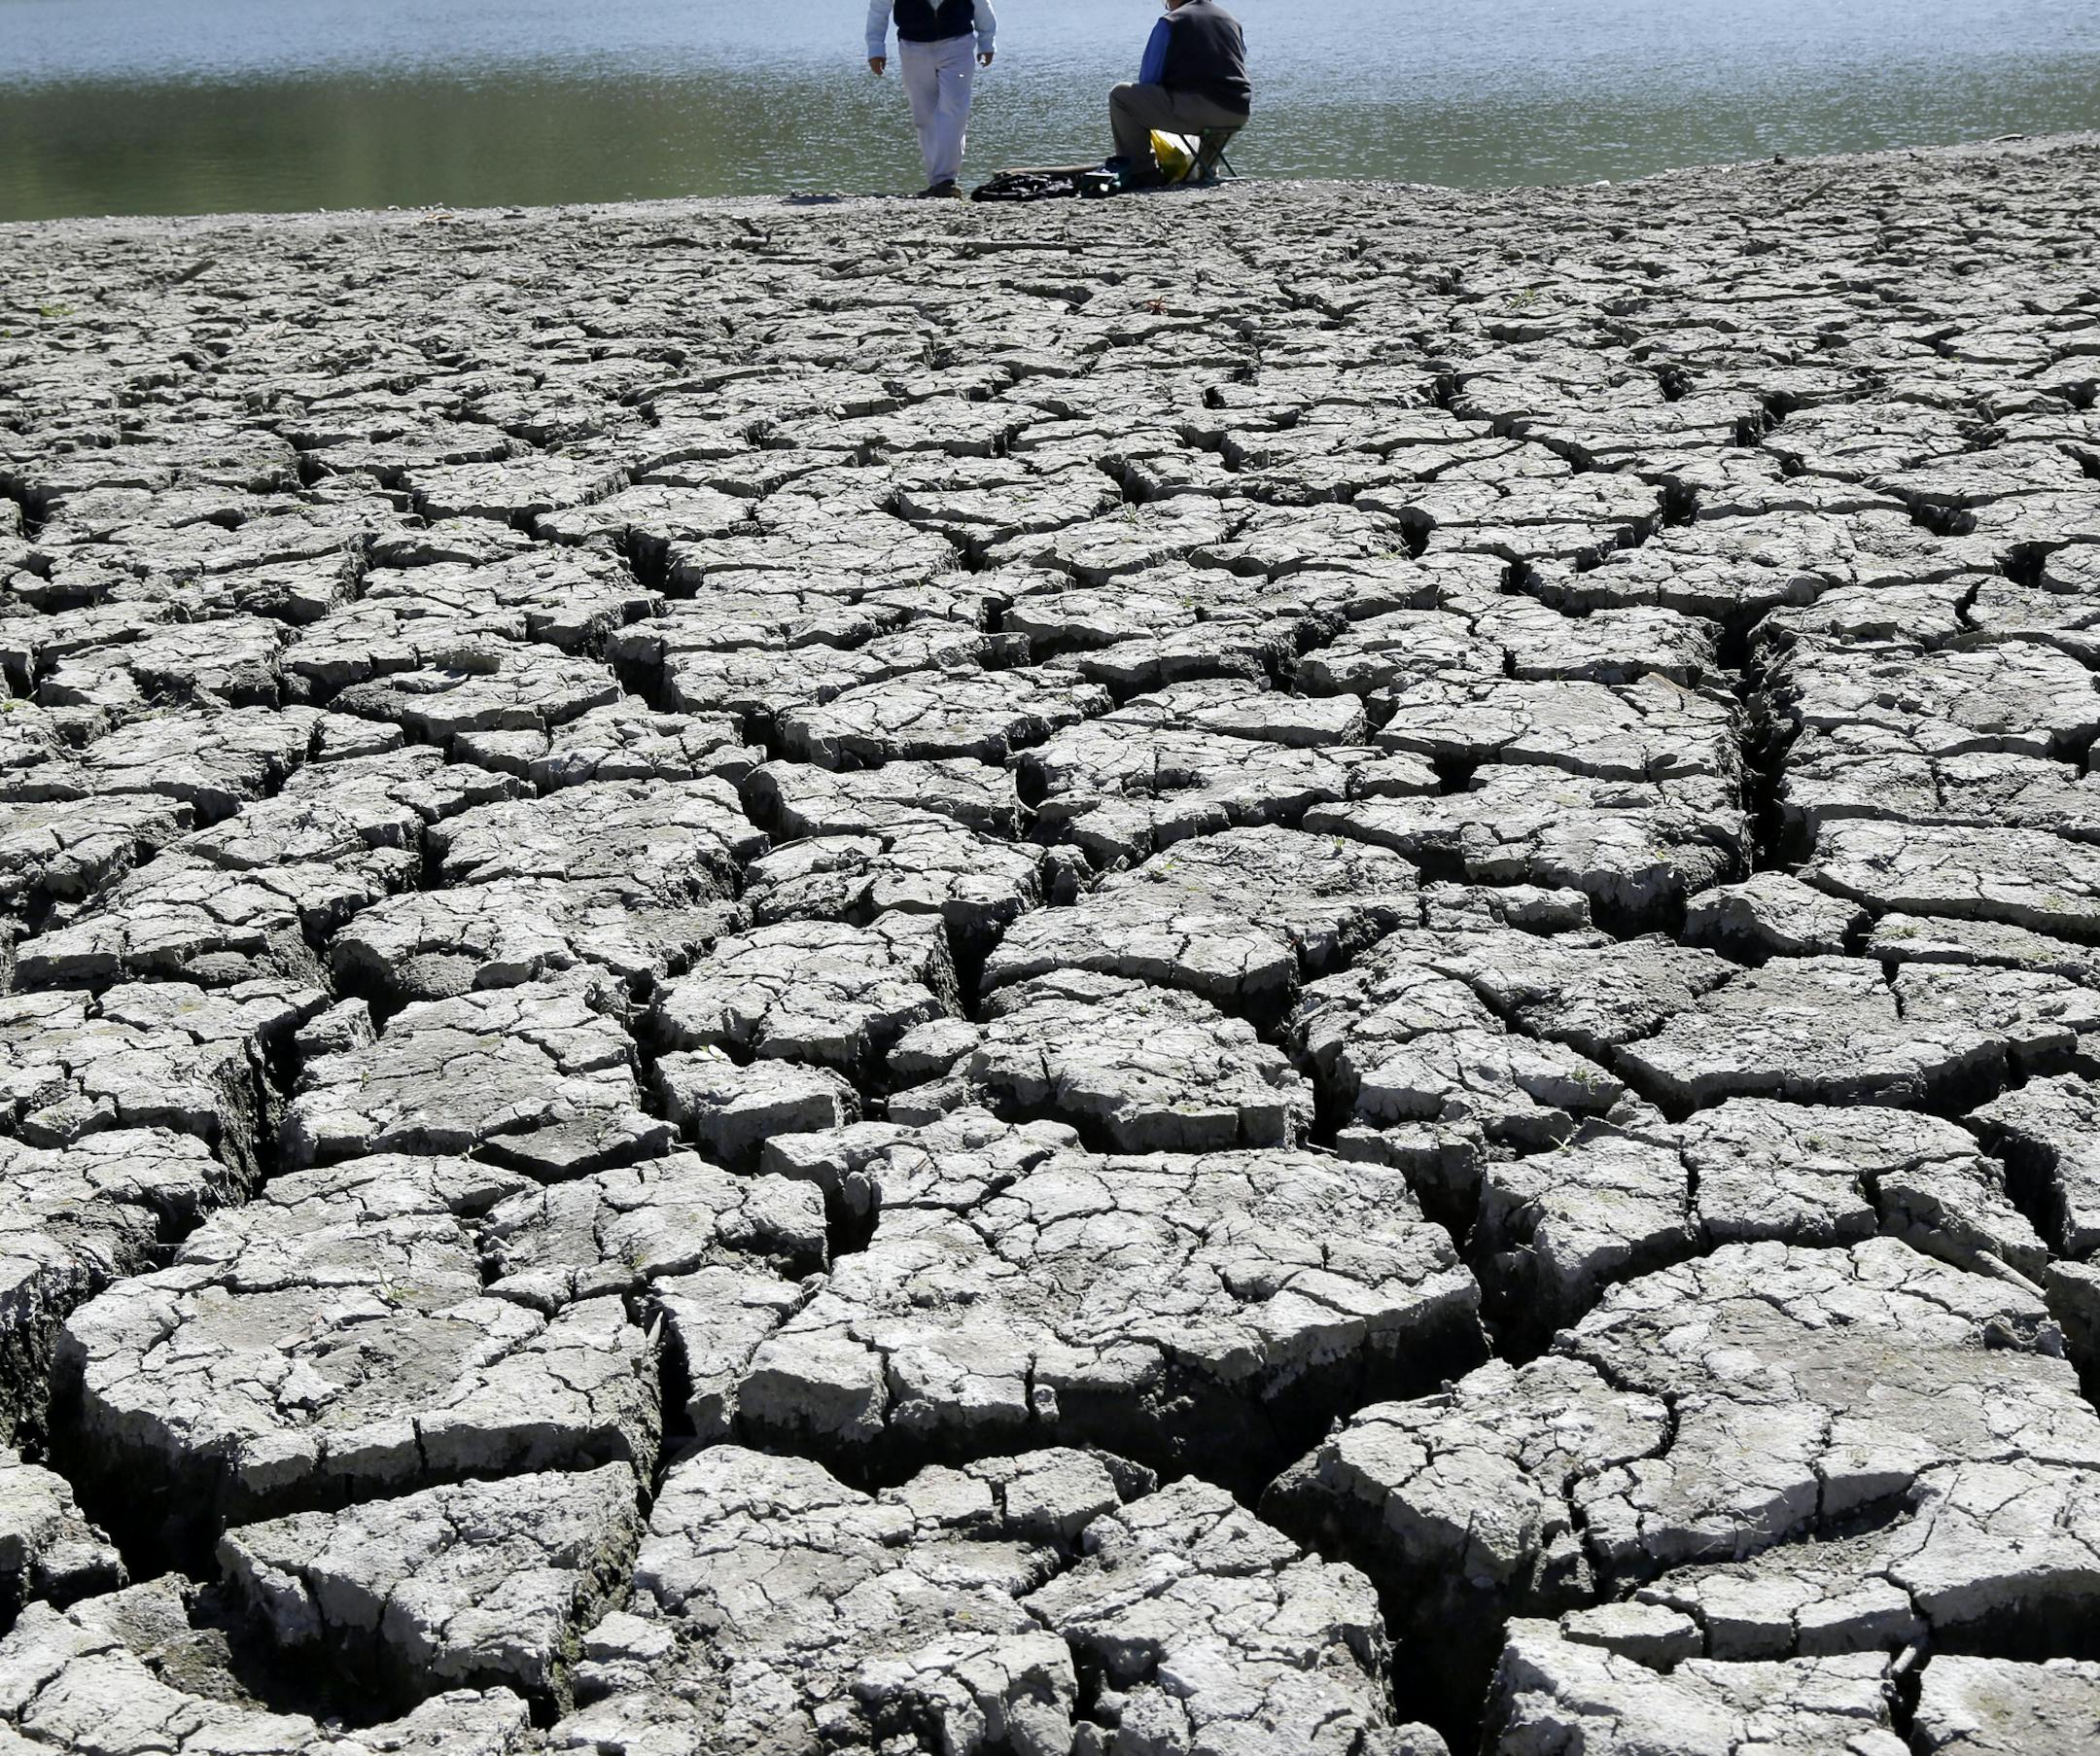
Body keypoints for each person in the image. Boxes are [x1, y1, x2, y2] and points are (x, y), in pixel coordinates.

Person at [1108, 0, 1250, 189]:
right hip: (1238, 110)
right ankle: (1206, 168)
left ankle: (1143, 172)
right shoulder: (1230, 20)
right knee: (1206, 94)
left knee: (1120, 96)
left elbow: (1149, 79)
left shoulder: (1171, 22)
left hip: (1199, 110)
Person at [867, 0, 998, 199]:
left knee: (955, 110)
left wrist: (987, 41)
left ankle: (946, 179)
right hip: (913, 47)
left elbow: (980, 3)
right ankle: (937, 181)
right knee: (924, 117)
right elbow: (879, 8)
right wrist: (876, 48)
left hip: (958, 43)